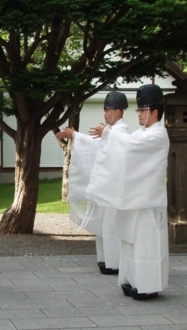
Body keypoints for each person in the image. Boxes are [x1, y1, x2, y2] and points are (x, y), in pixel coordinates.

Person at [86, 84, 170, 300]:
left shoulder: (158, 135)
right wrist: (108, 135)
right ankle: (132, 281)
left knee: (146, 245)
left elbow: (128, 146)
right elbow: (126, 150)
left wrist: (108, 134)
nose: (139, 115)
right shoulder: (144, 133)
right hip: (136, 197)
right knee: (130, 243)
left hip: (147, 200)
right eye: (139, 110)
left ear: (155, 112)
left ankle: (148, 286)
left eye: (142, 110)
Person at [56, 91, 129, 275]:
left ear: (118, 112)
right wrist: (76, 136)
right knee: (104, 225)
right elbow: (95, 145)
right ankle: (105, 260)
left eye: (107, 109)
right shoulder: (111, 132)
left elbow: (121, 146)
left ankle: (115, 263)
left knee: (113, 225)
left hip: (115, 189)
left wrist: (105, 134)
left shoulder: (122, 132)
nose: (104, 113)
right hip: (106, 188)